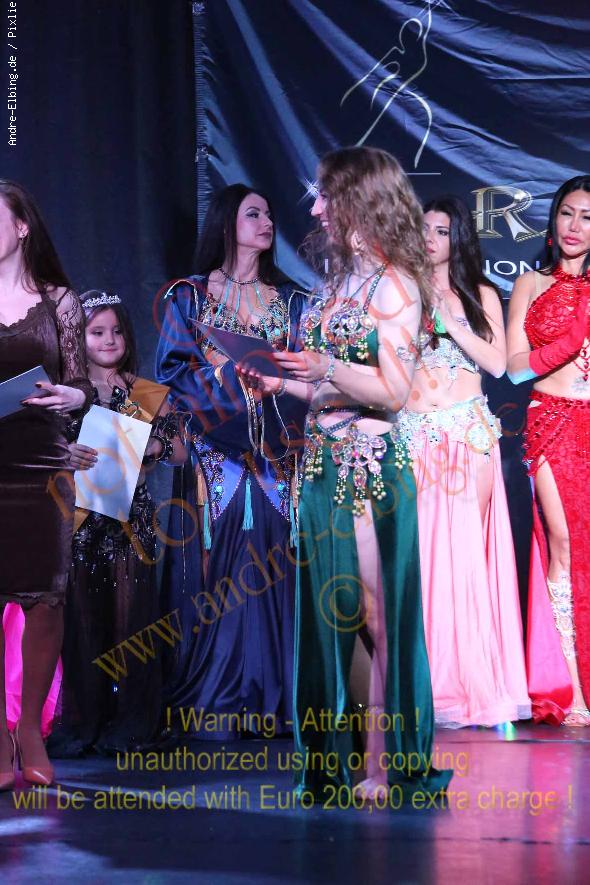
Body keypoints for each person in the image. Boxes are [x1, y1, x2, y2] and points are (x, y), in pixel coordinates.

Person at [242, 147, 452, 802]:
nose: (314, 209)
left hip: (368, 468)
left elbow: (393, 390)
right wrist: (281, 381)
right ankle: (343, 764)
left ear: (359, 201)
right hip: (323, 462)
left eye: (325, 196)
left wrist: (323, 367)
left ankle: (392, 766)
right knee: (339, 614)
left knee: (377, 616)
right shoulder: (339, 285)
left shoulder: (396, 286)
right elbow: (325, 390)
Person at [155, 184, 306, 740]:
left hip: (276, 452)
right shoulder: (189, 296)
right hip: (216, 453)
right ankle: (221, 694)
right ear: (225, 223)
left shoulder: (291, 302)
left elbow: (305, 371)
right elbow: (174, 371)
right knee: (223, 563)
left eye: (269, 214)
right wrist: (225, 376)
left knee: (274, 559)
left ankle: (278, 696)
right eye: (253, 213)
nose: (266, 222)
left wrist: (273, 385)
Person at [393, 194, 530, 727]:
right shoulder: (399, 292)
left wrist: (455, 325)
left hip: (467, 435)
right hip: (413, 435)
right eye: (424, 228)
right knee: (419, 559)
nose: (430, 238)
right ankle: (422, 680)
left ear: (458, 238)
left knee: (465, 559)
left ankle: (470, 682)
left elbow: (499, 365)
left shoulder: (479, 293)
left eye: (442, 230)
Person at [47, 291, 187, 756]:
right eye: (97, 332)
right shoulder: (66, 393)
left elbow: (180, 451)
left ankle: (132, 722)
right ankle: (85, 720)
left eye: (117, 331)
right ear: (77, 338)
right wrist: (64, 454)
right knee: (83, 623)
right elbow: (37, 448)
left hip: (130, 524)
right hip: (79, 522)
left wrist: (154, 447)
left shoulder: (143, 391)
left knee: (133, 623)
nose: (109, 340)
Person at [0, 180, 93, 788]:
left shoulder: (60, 301)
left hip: (41, 465)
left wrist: (72, 395)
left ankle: (30, 727)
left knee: (46, 601)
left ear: (22, 227)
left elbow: (83, 382)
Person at [507, 175, 590, 726]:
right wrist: (570, 339)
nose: (574, 226)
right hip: (551, 421)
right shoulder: (531, 284)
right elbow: (514, 368)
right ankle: (571, 688)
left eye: (587, 217)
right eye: (567, 213)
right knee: (562, 543)